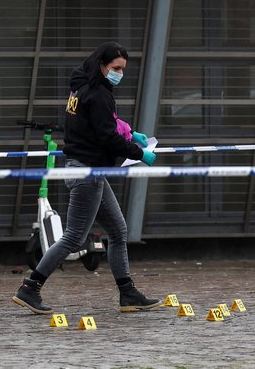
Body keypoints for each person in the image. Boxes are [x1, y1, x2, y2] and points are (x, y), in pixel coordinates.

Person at [12, 41, 160, 314]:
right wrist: (140, 153)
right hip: (87, 172)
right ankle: (30, 287)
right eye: (116, 68)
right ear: (103, 65)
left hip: (90, 171)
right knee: (73, 238)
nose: (120, 74)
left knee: (118, 231)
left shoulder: (81, 87)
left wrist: (130, 132)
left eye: (123, 69)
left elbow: (103, 122)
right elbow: (107, 136)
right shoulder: (100, 93)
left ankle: (127, 293)